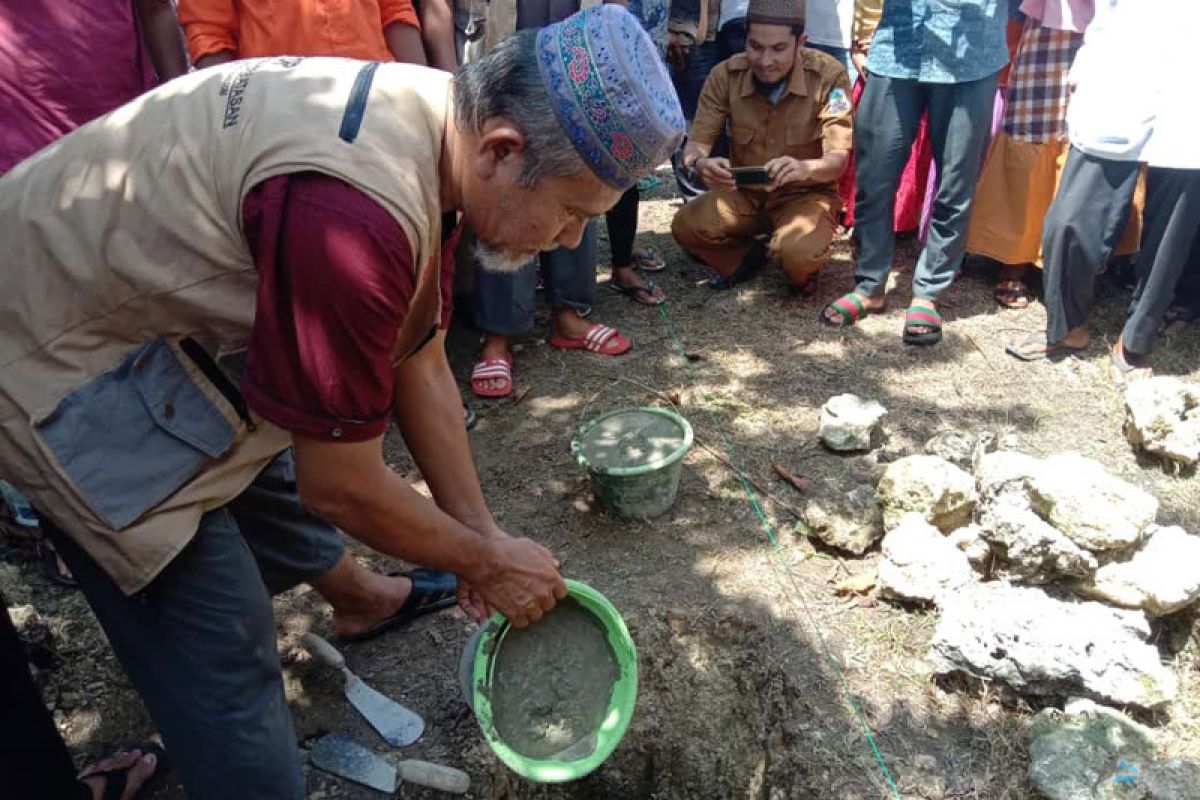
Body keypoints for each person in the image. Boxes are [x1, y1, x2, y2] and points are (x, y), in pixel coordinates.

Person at [0, 6, 683, 797]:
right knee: (224, 644)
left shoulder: (439, 120)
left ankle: (360, 600)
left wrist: (478, 532)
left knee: (277, 463)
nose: (569, 242)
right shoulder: (354, 206)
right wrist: (485, 563)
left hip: (142, 311)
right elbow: (343, 484)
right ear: (505, 148)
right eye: (573, 213)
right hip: (52, 352)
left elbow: (418, 352)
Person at [468, 0, 667, 401]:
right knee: (510, 190)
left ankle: (569, 315)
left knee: (579, 189)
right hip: (508, 58)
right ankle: (498, 335)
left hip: (587, 66)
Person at [1006, 0, 1200, 379]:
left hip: (1190, 78)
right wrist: (1087, 60)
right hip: (1120, 71)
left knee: (1171, 231)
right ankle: (1067, 327)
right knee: (1071, 217)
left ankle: (1135, 341)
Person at [822, 0, 1009, 345]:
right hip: (897, 49)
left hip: (972, 56)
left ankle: (929, 292)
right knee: (874, 171)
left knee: (955, 181)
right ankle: (869, 285)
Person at [670, 0, 853, 294]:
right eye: (755, 46)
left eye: (778, 48)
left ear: (801, 43)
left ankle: (795, 259)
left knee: (798, 256)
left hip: (804, 196)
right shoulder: (725, 75)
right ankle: (746, 259)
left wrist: (805, 169)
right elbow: (695, 147)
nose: (765, 60)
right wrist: (702, 165)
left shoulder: (829, 77)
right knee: (686, 226)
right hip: (745, 196)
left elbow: (838, 160)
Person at [967, 0, 1129, 308]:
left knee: (1101, 134)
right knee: (1033, 128)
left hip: (1119, 29)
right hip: (1053, 28)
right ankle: (1016, 255)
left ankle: (1080, 259)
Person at [178, 0, 427, 66]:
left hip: (377, 101)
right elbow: (210, 36)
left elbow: (395, 11)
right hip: (281, 120)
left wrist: (425, 96)